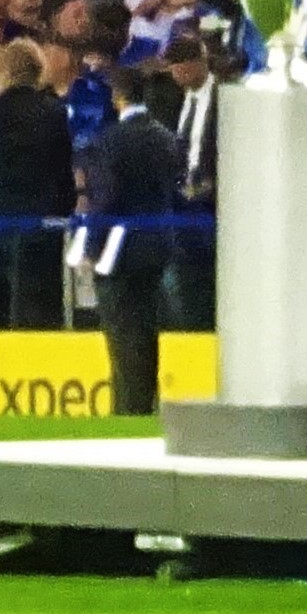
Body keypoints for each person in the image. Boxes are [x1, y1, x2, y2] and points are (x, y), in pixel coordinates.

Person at [82, 70, 188, 416]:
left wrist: (91, 247)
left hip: (119, 251)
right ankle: (144, 403)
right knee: (147, 330)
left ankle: (129, 408)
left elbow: (105, 198)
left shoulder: (110, 140)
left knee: (122, 333)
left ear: (118, 98)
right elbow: (177, 187)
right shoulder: (166, 137)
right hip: (159, 246)